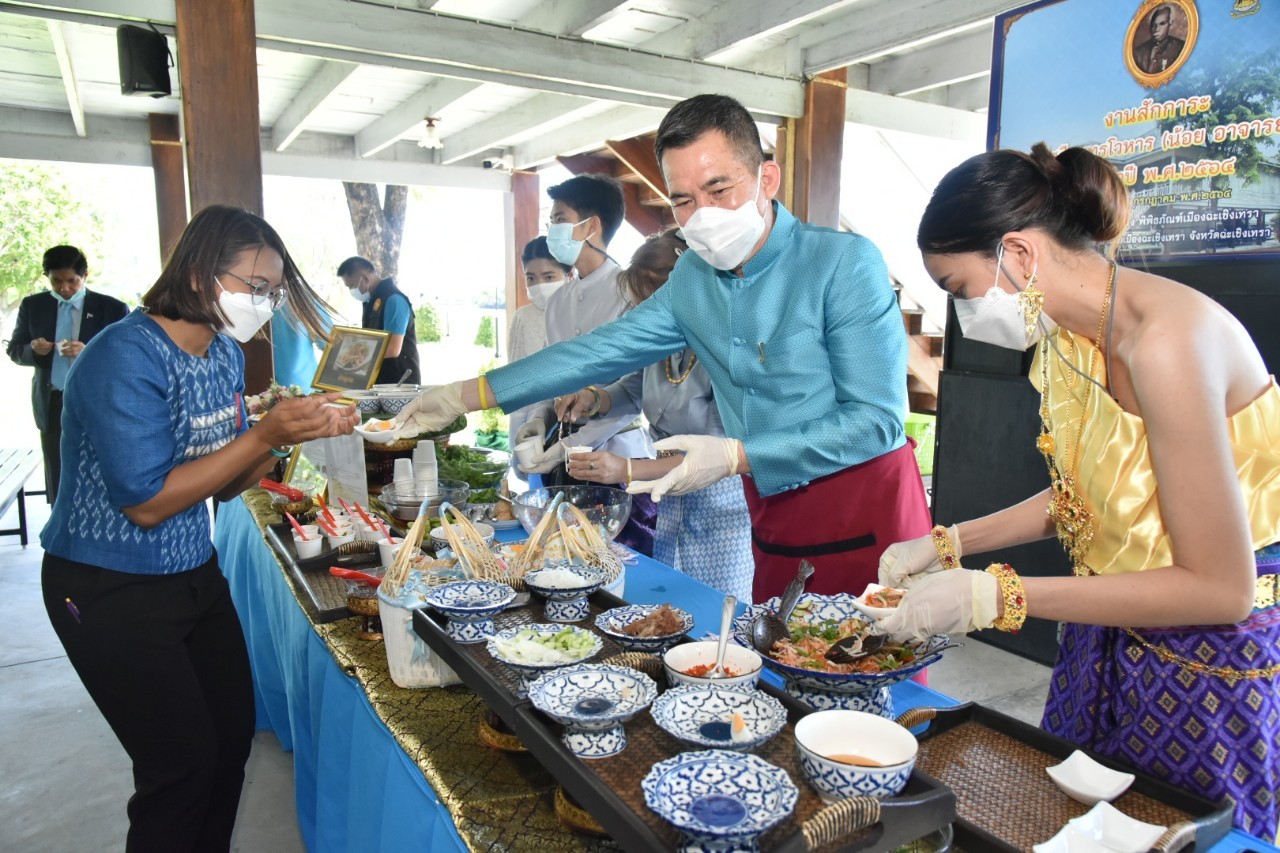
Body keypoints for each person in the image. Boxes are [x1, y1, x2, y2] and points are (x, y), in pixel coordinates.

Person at [872, 143, 1280, 836]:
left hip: (1208, 661)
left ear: (1019, 254)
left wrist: (996, 595)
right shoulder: (1065, 340)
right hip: (1106, 634)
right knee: (1071, 823)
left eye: (962, 288)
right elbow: (1079, 501)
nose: (964, 312)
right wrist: (944, 544)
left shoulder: (1168, 343)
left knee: (1177, 830)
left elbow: (1219, 588)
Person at [398, 93, 931, 603]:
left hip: (865, 509)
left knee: (874, 677)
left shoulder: (842, 262)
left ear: (767, 179)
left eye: (720, 190)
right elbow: (597, 352)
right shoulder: (694, 280)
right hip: (771, 511)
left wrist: (735, 455)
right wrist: (467, 394)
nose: (703, 215)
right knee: (779, 664)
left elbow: (877, 422)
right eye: (683, 200)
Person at [40, 205, 361, 851]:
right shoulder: (123, 356)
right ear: (197, 273)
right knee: (179, 767)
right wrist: (267, 432)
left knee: (226, 743)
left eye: (273, 291)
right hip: (108, 585)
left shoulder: (219, 353)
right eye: (255, 286)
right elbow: (149, 502)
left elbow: (229, 480)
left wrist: (284, 441)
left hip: (192, 573)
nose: (265, 303)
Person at [561, 229, 754, 601]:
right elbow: (633, 390)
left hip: (720, 506)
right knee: (669, 603)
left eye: (649, 307)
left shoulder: (728, 352)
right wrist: (592, 398)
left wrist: (627, 470)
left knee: (717, 613)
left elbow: (717, 452)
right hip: (669, 497)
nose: (643, 317)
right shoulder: (663, 341)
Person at [512, 174, 654, 478]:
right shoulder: (559, 301)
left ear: (591, 226)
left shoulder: (630, 293)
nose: (551, 231)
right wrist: (539, 418)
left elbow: (634, 390)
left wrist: (575, 443)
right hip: (563, 451)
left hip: (618, 456)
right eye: (550, 222)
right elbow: (553, 377)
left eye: (560, 220)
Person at [6, 246, 128, 503]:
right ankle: (59, 534)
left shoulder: (112, 308)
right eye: (56, 281)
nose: (64, 288)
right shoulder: (33, 306)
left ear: (85, 275)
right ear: (47, 277)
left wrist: (88, 351)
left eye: (71, 281)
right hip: (52, 402)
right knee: (58, 473)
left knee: (100, 469)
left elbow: (125, 358)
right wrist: (34, 350)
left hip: (96, 402)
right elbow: (15, 350)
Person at [505, 236, 570, 458]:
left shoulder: (577, 312)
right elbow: (516, 380)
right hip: (530, 425)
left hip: (574, 425)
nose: (539, 285)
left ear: (568, 275)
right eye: (531, 278)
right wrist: (517, 440)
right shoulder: (523, 317)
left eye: (549, 276)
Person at [337, 255, 420, 385]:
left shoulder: (394, 300)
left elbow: (393, 348)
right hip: (380, 381)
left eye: (351, 285)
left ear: (365, 278)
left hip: (400, 383)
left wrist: (353, 356)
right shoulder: (370, 301)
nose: (351, 290)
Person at [1132, 3, 1185, 74]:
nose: (1157, 29)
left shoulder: (1180, 47)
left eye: (1162, 23)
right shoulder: (1138, 52)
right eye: (1154, 25)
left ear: (1170, 22)